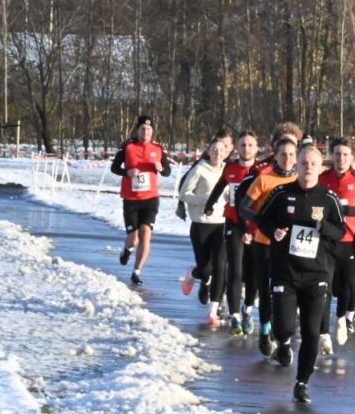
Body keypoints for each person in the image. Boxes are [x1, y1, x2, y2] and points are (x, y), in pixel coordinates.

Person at [252, 143, 346, 403]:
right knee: (283, 328)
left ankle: (302, 382)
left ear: (320, 167)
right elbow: (261, 218)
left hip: (316, 274)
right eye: (303, 163)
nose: (308, 168)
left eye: (313, 164)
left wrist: (324, 227)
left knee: (311, 332)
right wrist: (274, 231)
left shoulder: (328, 198)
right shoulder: (282, 193)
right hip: (285, 272)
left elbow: (340, 231)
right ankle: (282, 344)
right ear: (297, 165)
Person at [239, 133, 301, 357]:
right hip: (264, 242)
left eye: (291, 154)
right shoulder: (264, 179)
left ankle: (282, 333)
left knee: (286, 290)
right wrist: (261, 221)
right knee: (265, 289)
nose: (287, 158)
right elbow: (243, 207)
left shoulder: (301, 180)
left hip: (291, 245)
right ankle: (265, 332)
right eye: (283, 154)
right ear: (275, 156)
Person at [319, 136, 355, 352]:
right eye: (337, 154)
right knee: (324, 287)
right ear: (332, 156)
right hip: (326, 242)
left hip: (350, 242)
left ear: (352, 157)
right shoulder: (322, 178)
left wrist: (346, 210)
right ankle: (324, 333)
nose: (341, 159)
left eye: (345, 155)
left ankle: (342, 317)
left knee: (348, 287)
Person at [205, 130, 261, 336]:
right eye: (242, 145)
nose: (246, 148)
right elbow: (219, 186)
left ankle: (248, 310)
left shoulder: (261, 170)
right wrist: (210, 204)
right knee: (235, 269)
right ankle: (235, 316)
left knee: (252, 271)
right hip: (234, 222)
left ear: (256, 148)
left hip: (255, 225)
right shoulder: (230, 168)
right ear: (236, 147)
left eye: (250, 145)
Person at [111, 115, 171, 285]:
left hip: (150, 198)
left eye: (149, 129)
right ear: (138, 130)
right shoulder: (128, 147)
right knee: (134, 238)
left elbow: (167, 172)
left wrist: (161, 168)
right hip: (131, 199)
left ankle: (136, 272)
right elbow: (114, 168)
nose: (146, 132)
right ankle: (127, 249)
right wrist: (127, 172)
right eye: (142, 129)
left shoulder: (158, 149)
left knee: (146, 234)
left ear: (153, 132)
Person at [177, 133, 229, 324]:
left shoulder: (228, 170)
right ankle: (195, 274)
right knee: (206, 269)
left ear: (226, 153)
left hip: (222, 224)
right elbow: (184, 194)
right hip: (201, 224)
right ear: (208, 151)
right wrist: (204, 199)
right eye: (214, 149)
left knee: (220, 267)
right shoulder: (199, 169)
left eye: (221, 150)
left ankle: (213, 311)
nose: (217, 153)